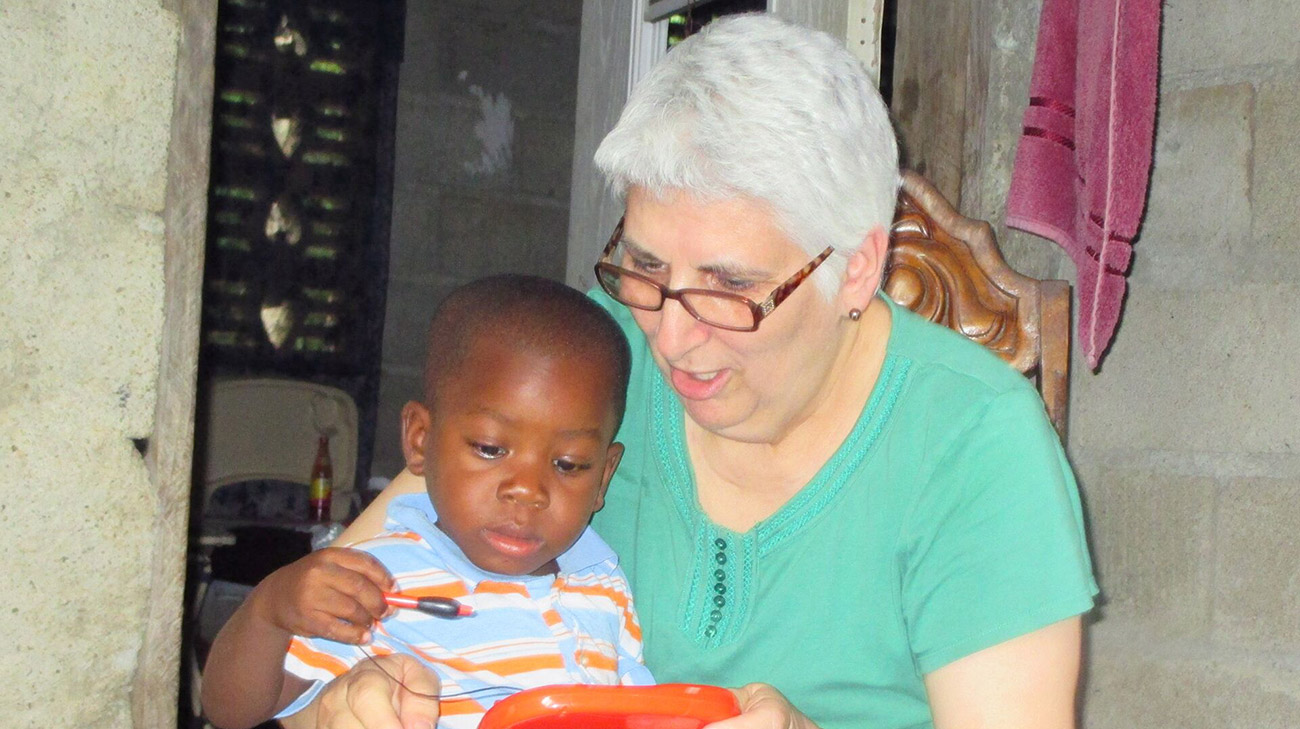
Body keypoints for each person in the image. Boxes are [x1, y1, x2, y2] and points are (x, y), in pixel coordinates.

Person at [291, 13, 1098, 729]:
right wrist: (344, 701)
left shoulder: (974, 445)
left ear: (856, 268)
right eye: (643, 270)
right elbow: (337, 611)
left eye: (729, 287)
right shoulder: (596, 355)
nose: (670, 336)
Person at [201, 274, 654, 729]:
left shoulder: (604, 589)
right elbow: (231, 711)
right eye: (491, 448)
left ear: (603, 478)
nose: (528, 491)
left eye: (569, 464)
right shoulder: (377, 581)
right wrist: (269, 612)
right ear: (421, 440)